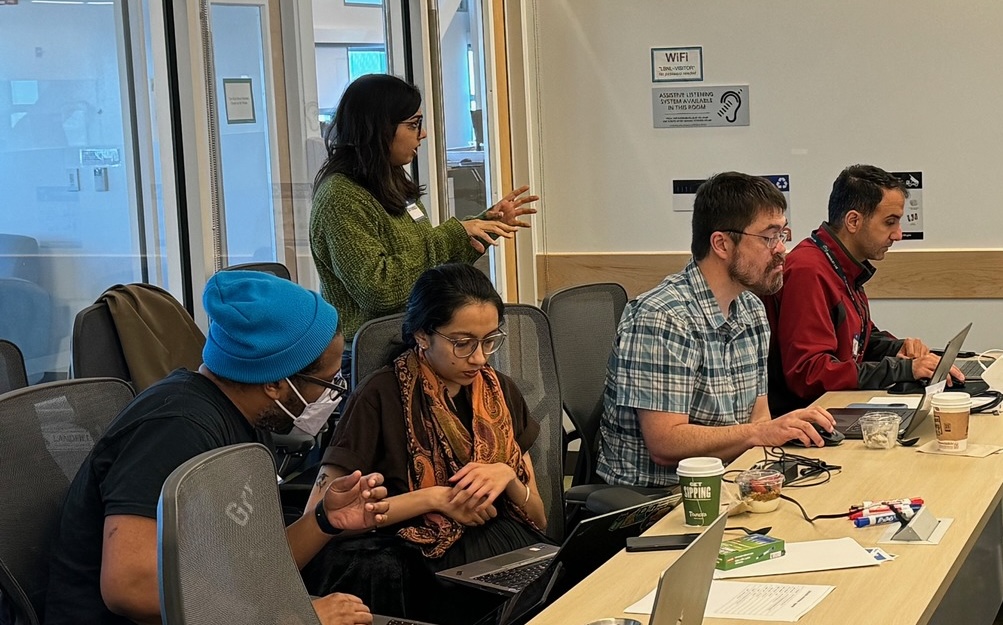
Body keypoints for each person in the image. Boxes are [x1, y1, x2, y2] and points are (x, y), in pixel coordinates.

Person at [45, 271, 389, 625]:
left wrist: (323, 521)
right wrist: (287, 618)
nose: (332, 392)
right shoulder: (176, 428)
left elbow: (254, 568)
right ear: (274, 383)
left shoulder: (245, 419)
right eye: (325, 381)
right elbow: (130, 587)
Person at [301, 263, 549, 624]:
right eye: (462, 344)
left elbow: (539, 518)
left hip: (504, 554)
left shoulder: (502, 393)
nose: (479, 358)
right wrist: (436, 499)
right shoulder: (379, 396)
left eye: (490, 341)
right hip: (413, 566)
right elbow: (320, 516)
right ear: (422, 335)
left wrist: (506, 476)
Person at [596, 172, 836, 489]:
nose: (782, 250)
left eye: (783, 235)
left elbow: (758, 419)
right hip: (657, 498)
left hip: (729, 483)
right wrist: (759, 434)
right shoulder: (663, 316)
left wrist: (774, 438)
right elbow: (665, 443)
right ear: (721, 244)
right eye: (769, 237)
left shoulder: (751, 309)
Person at [310, 74, 538, 382]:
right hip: (370, 361)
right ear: (380, 127)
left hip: (414, 349)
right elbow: (379, 290)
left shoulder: (389, 182)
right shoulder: (340, 197)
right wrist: (452, 234)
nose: (424, 133)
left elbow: (426, 270)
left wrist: (484, 225)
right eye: (413, 124)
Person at [764, 164, 962, 414]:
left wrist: (897, 349)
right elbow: (809, 374)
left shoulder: (843, 266)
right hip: (807, 418)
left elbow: (858, 341)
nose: (898, 235)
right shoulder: (808, 270)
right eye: (890, 222)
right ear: (854, 221)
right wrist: (901, 370)